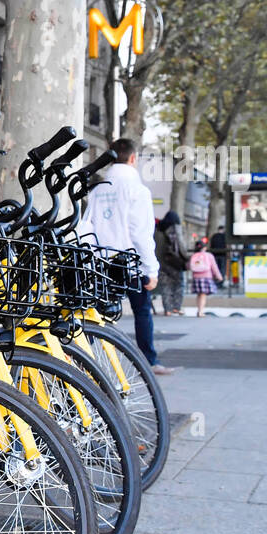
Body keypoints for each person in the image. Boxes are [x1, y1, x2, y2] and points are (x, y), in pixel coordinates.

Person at [81, 138, 175, 375]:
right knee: (142, 311)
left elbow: (87, 227)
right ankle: (148, 361)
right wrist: (150, 269)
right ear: (133, 158)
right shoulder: (138, 190)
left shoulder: (98, 189)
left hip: (101, 262)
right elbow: (141, 232)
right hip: (131, 263)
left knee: (97, 315)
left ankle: (85, 360)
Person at [153, 210, 188, 316]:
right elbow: (180, 245)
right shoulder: (175, 228)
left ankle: (167, 309)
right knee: (178, 284)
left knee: (165, 286)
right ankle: (176, 308)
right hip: (174, 261)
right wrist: (186, 257)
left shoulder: (157, 230)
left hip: (161, 262)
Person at [188, 238, 223, 317]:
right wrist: (219, 276)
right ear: (205, 247)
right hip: (206, 276)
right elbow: (214, 267)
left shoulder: (194, 255)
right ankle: (200, 311)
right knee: (203, 295)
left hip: (196, 277)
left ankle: (199, 310)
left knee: (199, 294)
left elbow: (189, 266)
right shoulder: (208, 255)